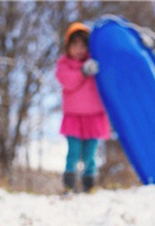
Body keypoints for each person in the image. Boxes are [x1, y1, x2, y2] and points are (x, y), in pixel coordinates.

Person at [55, 22, 110, 193]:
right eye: (75, 44)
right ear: (68, 47)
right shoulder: (64, 65)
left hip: (94, 116)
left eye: (83, 44)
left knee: (89, 155)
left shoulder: (97, 63)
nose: (79, 48)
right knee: (73, 152)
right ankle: (69, 186)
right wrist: (83, 72)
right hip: (73, 116)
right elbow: (67, 81)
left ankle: (89, 185)